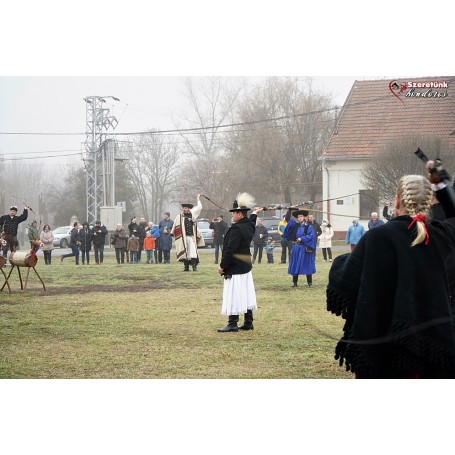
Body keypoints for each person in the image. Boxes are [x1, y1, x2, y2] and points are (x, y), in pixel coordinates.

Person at [327, 166, 455, 378]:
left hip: (385, 344)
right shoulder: (442, 236)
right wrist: (442, 185)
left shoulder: (377, 238)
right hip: (430, 344)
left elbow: (344, 277)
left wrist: (349, 259)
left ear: (396, 201)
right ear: (430, 201)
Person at [218, 193, 263, 332]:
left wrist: (223, 266)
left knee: (234, 295)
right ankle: (248, 322)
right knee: (246, 293)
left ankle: (232, 323)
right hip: (245, 267)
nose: (232, 216)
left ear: (239, 214)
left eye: (233, 214)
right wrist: (254, 212)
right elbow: (252, 221)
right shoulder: (248, 226)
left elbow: (230, 250)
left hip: (235, 267)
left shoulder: (237, 229)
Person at [283, 209, 316, 288]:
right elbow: (287, 219)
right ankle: (294, 283)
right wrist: (289, 210)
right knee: (295, 264)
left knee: (307, 264)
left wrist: (302, 238)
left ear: (304, 217)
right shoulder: (295, 225)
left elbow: (311, 236)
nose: (299, 218)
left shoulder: (309, 227)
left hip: (305, 248)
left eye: (301, 216)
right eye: (298, 217)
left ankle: (309, 283)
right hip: (296, 248)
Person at [171, 195, 205, 272]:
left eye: (185, 208)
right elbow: (175, 224)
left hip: (191, 237)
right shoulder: (179, 216)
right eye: (183, 208)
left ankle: (194, 267)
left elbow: (199, 207)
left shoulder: (193, 214)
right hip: (183, 237)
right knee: (185, 252)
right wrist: (172, 232)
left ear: (189, 209)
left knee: (192, 252)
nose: (184, 209)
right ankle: (186, 267)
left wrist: (198, 199)